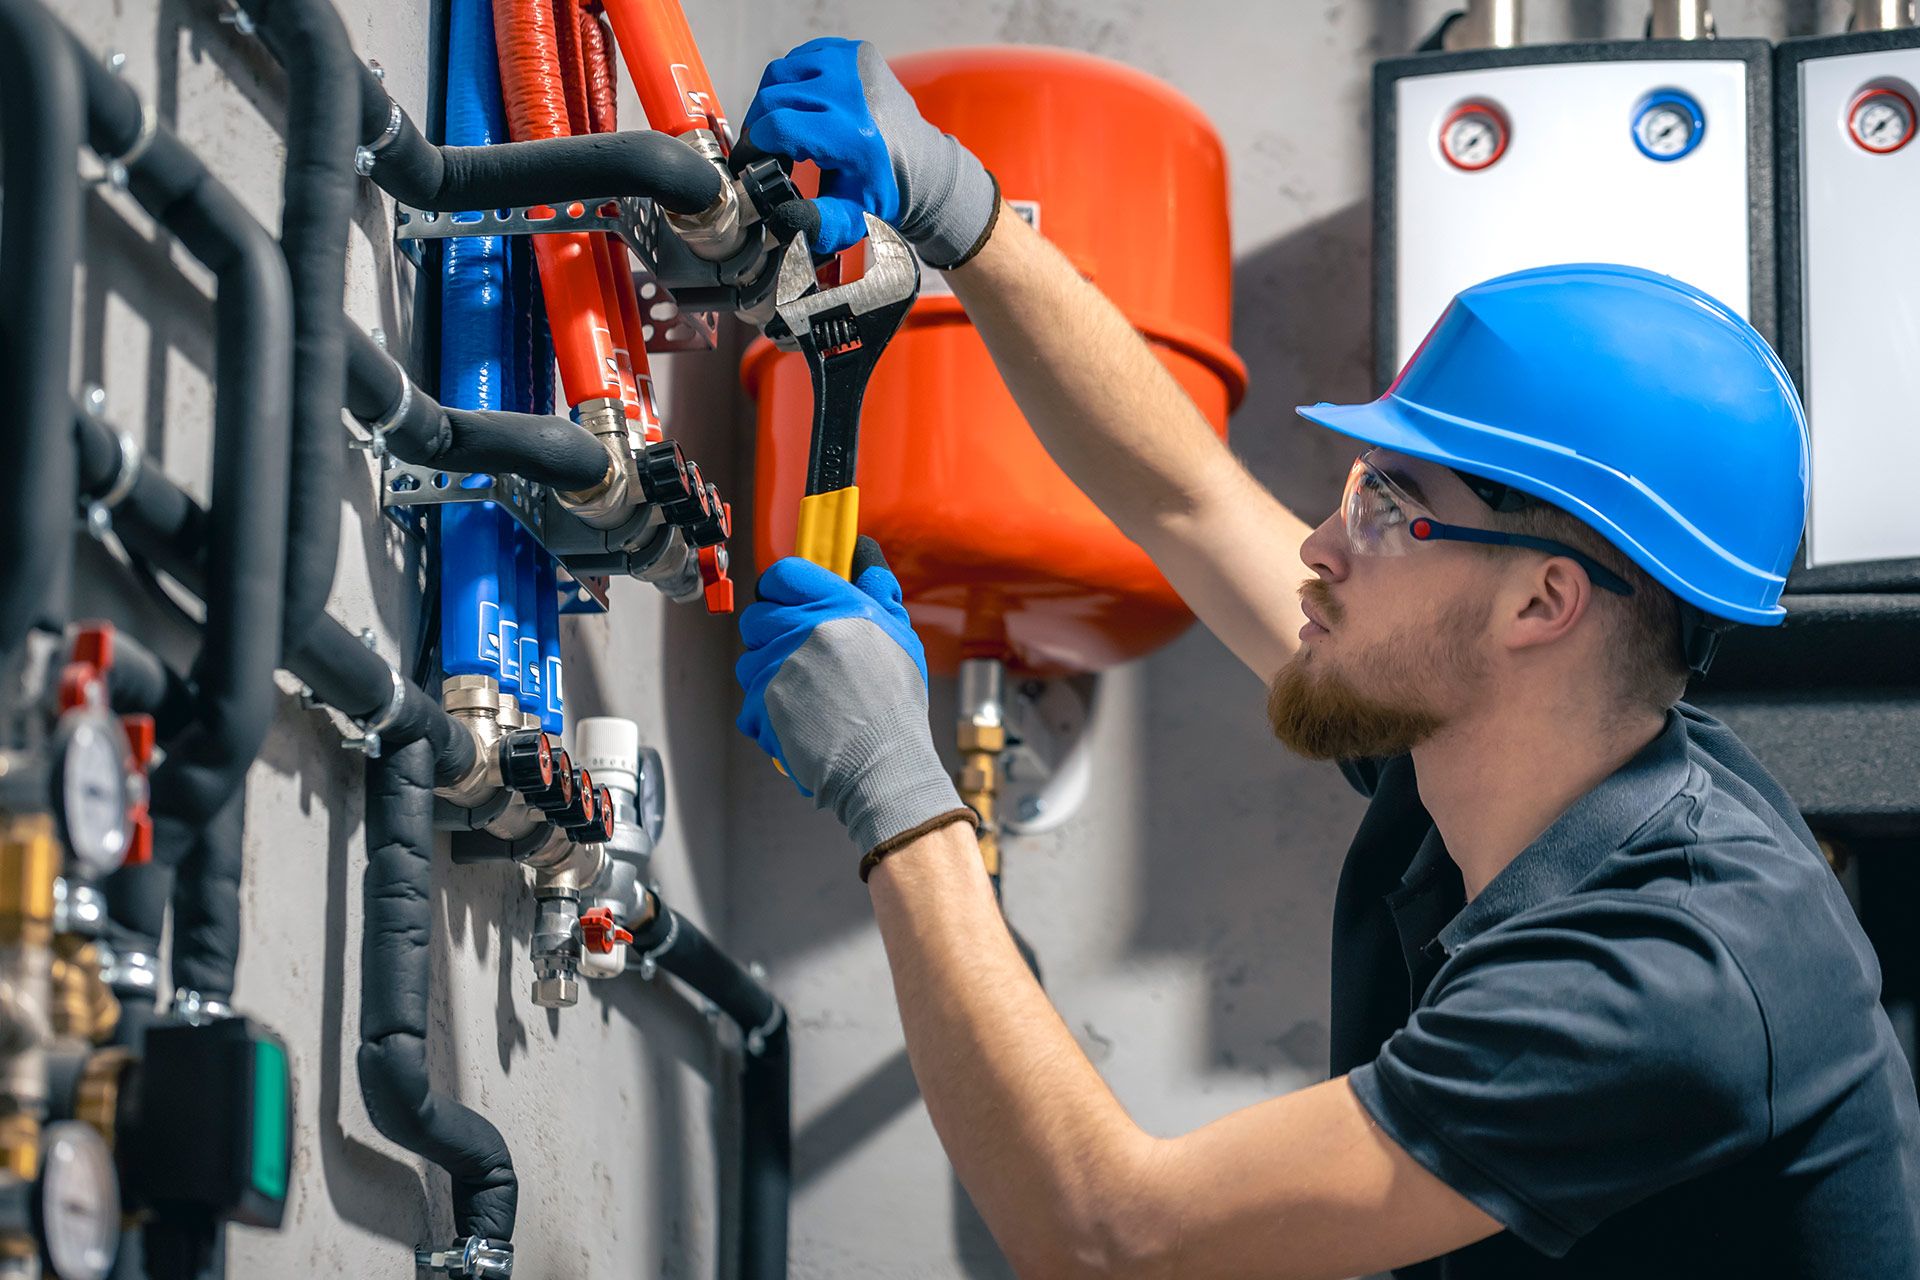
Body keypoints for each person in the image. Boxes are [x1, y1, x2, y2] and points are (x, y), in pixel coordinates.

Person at [733, 36, 1920, 1279]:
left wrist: (894, 788)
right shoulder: (1494, 748)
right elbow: (1186, 494)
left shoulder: (1670, 969)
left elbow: (1109, 1237)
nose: (1316, 544)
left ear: (1543, 602)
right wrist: (964, 211)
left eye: (1389, 508)